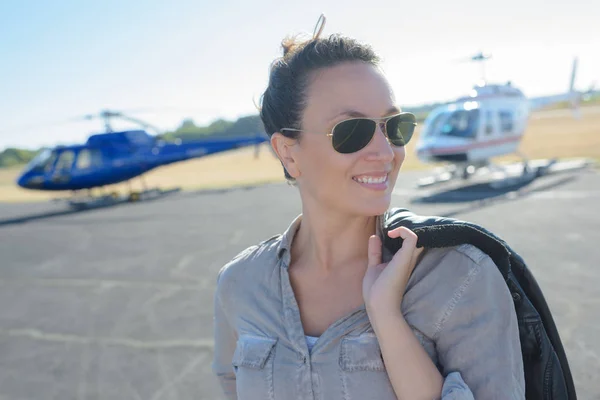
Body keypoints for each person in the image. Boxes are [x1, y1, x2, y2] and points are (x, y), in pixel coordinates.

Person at [212, 15, 525, 400]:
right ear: (288, 153)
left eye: (394, 127)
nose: (384, 152)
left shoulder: (460, 275)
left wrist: (387, 319)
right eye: (352, 132)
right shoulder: (239, 284)